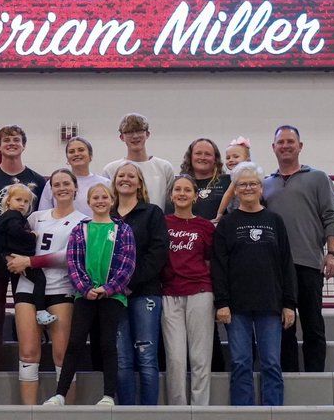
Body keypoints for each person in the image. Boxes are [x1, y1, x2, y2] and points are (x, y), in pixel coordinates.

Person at [42, 183, 135, 407]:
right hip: (85, 296)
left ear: (112, 201)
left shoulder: (123, 230)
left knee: (107, 344)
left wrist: (109, 287)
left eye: (105, 197)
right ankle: (60, 394)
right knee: (74, 343)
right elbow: (73, 263)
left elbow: (127, 264)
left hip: (112, 297)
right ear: (90, 201)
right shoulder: (80, 229)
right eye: (96, 197)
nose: (101, 201)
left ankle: (108, 395)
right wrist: (85, 288)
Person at [213, 161, 297, 407]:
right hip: (236, 307)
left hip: (270, 305)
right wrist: (222, 303)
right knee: (240, 363)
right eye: (242, 184)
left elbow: (285, 264)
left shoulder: (275, 221)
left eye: (253, 183)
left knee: (271, 363)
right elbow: (218, 266)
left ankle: (273, 411)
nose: (248, 188)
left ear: (261, 188)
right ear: (235, 190)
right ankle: (243, 412)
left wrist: (289, 303)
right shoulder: (226, 225)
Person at [262, 124, 334, 373]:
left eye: (290, 141)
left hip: (308, 263)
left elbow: (331, 216)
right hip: (276, 268)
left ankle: (316, 377)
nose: (285, 146)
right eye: (280, 142)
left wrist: (332, 253)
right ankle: (290, 377)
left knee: (313, 323)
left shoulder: (318, 178)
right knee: (284, 326)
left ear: (300, 146)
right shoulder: (265, 184)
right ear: (273, 148)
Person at [7, 167, 88, 405]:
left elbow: (70, 256)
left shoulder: (83, 221)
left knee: (62, 354)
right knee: (28, 353)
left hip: (60, 289)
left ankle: (66, 411)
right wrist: (10, 259)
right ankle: (29, 412)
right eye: (56, 184)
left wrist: (31, 261)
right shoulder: (35, 217)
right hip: (28, 288)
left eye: (66, 183)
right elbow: (12, 242)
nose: (61, 188)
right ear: (50, 189)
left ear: (75, 188)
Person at [0, 124, 47, 371]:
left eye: (16, 139)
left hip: (25, 260)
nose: (12, 143)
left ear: (23, 145)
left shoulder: (37, 180)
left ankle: (29, 371)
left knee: (27, 314)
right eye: (7, 140)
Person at [110, 161, 168, 406]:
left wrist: (129, 282)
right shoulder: (106, 214)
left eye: (131, 176)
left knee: (146, 357)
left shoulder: (152, 212)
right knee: (122, 360)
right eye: (121, 175)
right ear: (114, 182)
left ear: (139, 183)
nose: (125, 179)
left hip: (145, 293)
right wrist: (115, 285)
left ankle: (149, 413)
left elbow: (158, 253)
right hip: (113, 296)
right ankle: (125, 412)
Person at [161, 174, 215, 405]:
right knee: (175, 359)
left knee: (200, 357)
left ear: (195, 196)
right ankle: (178, 410)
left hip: (200, 293)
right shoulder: (162, 223)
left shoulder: (204, 226)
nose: (182, 193)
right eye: (178, 190)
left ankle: (200, 409)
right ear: (171, 195)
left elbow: (212, 262)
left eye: (187, 190)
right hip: (170, 294)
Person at [0, 184, 52, 326]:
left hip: (13, 255)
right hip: (18, 256)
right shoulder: (12, 217)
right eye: (18, 200)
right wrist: (32, 236)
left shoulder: (12, 217)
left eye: (26, 202)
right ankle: (41, 311)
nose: (22, 204)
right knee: (40, 280)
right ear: (9, 200)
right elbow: (16, 232)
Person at [103, 113, 175, 208]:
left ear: (147, 134)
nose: (135, 136)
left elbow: (171, 203)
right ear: (121, 137)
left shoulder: (165, 168)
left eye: (139, 131)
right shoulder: (110, 170)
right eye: (129, 132)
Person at [38, 137, 109, 216]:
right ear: (67, 159)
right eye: (71, 152)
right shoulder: (54, 183)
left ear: (90, 156)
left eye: (81, 150)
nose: (76, 154)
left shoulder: (105, 183)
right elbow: (44, 215)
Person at [181, 138, 227, 221]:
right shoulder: (181, 184)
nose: (203, 157)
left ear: (215, 159)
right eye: (198, 153)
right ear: (190, 157)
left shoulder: (227, 182)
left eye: (208, 154)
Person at [214, 137, 254, 218]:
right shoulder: (235, 175)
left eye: (236, 157)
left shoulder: (242, 174)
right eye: (228, 158)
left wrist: (219, 213)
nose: (231, 160)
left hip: (244, 211)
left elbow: (228, 194)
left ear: (248, 161)